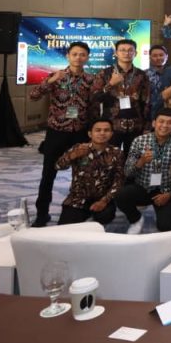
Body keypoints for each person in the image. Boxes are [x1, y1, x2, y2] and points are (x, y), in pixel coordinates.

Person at [28, 41, 94, 226]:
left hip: (80, 132)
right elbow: (33, 96)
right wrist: (50, 81)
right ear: (68, 56)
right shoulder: (56, 76)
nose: (78, 57)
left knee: (81, 174)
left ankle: (78, 211)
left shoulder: (91, 79)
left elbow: (95, 105)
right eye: (75, 54)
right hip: (57, 131)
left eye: (82, 54)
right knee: (48, 174)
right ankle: (42, 214)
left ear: (87, 58)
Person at [117, 108, 171, 234]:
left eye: (169, 122)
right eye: (161, 121)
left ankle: (164, 209)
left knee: (166, 226)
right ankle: (136, 219)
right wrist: (141, 162)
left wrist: (170, 193)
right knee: (121, 195)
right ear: (154, 123)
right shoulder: (139, 141)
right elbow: (127, 172)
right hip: (143, 187)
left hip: (165, 190)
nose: (165, 125)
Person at [54, 118, 124, 226]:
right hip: (77, 198)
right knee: (66, 228)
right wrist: (72, 156)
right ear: (90, 134)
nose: (102, 133)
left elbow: (119, 181)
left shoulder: (117, 153)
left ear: (111, 134)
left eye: (106, 130)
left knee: (105, 216)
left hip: (101, 198)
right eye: (98, 130)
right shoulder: (79, 148)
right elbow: (58, 166)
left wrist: (104, 201)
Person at [89, 38, 149, 155]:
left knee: (132, 158)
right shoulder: (105, 73)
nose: (126, 53)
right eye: (122, 50)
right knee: (109, 158)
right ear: (116, 53)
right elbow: (94, 98)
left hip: (136, 126)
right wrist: (110, 84)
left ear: (135, 53)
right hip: (111, 126)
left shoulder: (141, 75)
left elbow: (146, 101)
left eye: (130, 50)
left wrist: (147, 126)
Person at [146, 44, 169, 121]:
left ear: (166, 57)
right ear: (150, 57)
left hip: (170, 114)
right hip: (150, 115)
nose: (158, 58)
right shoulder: (144, 75)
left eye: (161, 55)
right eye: (155, 56)